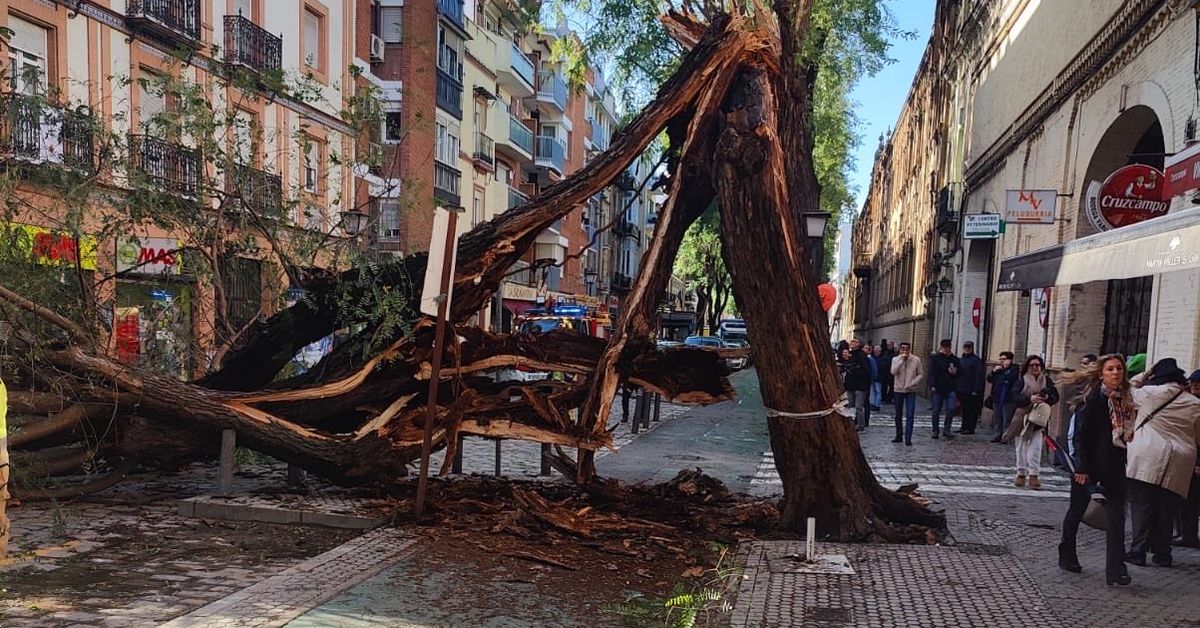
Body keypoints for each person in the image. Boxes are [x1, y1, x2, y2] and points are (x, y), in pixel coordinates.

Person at [1059, 354, 1133, 585]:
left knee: (1117, 518)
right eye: (1110, 369)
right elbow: (1080, 436)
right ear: (1101, 374)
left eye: (1119, 368)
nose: (1115, 373)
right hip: (1088, 465)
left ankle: (1116, 569)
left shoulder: (1126, 400)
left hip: (1115, 466)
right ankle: (1067, 552)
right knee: (1078, 510)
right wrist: (1080, 467)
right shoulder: (1091, 400)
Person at [1124, 358, 1200, 568]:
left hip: (1147, 457)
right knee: (1168, 509)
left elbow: (1126, 387)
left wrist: (1146, 372)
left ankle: (1137, 551)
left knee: (1141, 506)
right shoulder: (1195, 403)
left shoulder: (1148, 394)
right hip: (1180, 462)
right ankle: (1163, 553)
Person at [1006, 355, 1059, 489]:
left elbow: (1055, 397)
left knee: (1036, 447)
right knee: (1021, 446)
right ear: (1027, 367)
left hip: (1038, 419)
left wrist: (1046, 397)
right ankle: (1021, 473)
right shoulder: (1022, 381)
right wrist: (1030, 398)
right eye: (1032, 365)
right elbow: (1014, 396)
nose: (1035, 368)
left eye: (1037, 365)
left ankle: (1034, 474)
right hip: (1022, 417)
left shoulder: (1046, 381)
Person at [1176, 369, 1200, 548]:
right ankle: (1186, 534)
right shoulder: (1189, 402)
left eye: (1197, 384)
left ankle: (1189, 535)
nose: (1194, 386)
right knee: (1187, 500)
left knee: (1191, 501)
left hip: (1195, 460)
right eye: (1192, 383)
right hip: (1187, 457)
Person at [890, 342, 924, 446]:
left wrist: (913, 382)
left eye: (907, 349)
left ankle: (908, 437)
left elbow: (920, 374)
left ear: (910, 350)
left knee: (910, 414)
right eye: (903, 349)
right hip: (898, 389)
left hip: (910, 390)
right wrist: (901, 361)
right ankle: (898, 435)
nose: (905, 351)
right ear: (900, 350)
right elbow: (893, 372)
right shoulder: (895, 359)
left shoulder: (916, 360)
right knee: (898, 414)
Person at [929, 339, 960, 439]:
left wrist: (955, 373)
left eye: (948, 347)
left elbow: (960, 372)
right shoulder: (936, 358)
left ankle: (947, 428)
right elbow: (932, 372)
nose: (946, 349)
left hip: (951, 387)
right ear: (941, 347)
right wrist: (932, 385)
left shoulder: (954, 359)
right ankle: (935, 430)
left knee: (951, 409)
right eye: (944, 347)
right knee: (936, 410)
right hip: (938, 387)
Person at [987, 352, 1019, 443]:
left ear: (1010, 360)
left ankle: (1006, 436)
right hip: (997, 397)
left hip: (1008, 397)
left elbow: (1010, 379)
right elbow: (989, 379)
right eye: (1000, 359)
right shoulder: (998, 370)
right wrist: (993, 371)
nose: (1001, 361)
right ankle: (997, 434)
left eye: (1004, 359)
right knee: (997, 417)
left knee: (1007, 418)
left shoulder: (1014, 370)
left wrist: (1004, 371)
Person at [842, 339, 872, 432]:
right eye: (851, 342)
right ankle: (851, 422)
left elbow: (866, 371)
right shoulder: (850, 355)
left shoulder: (862, 356)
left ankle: (860, 424)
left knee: (859, 406)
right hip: (851, 384)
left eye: (854, 342)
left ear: (858, 344)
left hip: (860, 385)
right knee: (849, 405)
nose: (852, 343)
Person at [955, 341, 986, 435]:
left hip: (971, 389)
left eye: (969, 347)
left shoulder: (976, 360)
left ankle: (970, 428)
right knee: (964, 410)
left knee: (972, 410)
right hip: (961, 389)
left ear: (972, 348)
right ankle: (964, 426)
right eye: (965, 347)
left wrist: (976, 389)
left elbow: (979, 376)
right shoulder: (960, 360)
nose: (967, 349)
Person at [878, 340, 895, 404]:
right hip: (885, 373)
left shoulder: (894, 353)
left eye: (890, 345)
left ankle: (889, 398)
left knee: (891, 386)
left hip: (891, 373)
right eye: (888, 345)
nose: (889, 346)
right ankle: (884, 398)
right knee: (884, 386)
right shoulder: (885, 353)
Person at [870, 345, 885, 411]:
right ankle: (873, 403)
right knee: (873, 391)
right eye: (875, 350)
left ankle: (877, 404)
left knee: (878, 391)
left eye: (877, 350)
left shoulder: (883, 358)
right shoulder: (872, 357)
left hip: (879, 377)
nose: (876, 351)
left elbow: (881, 367)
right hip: (873, 377)